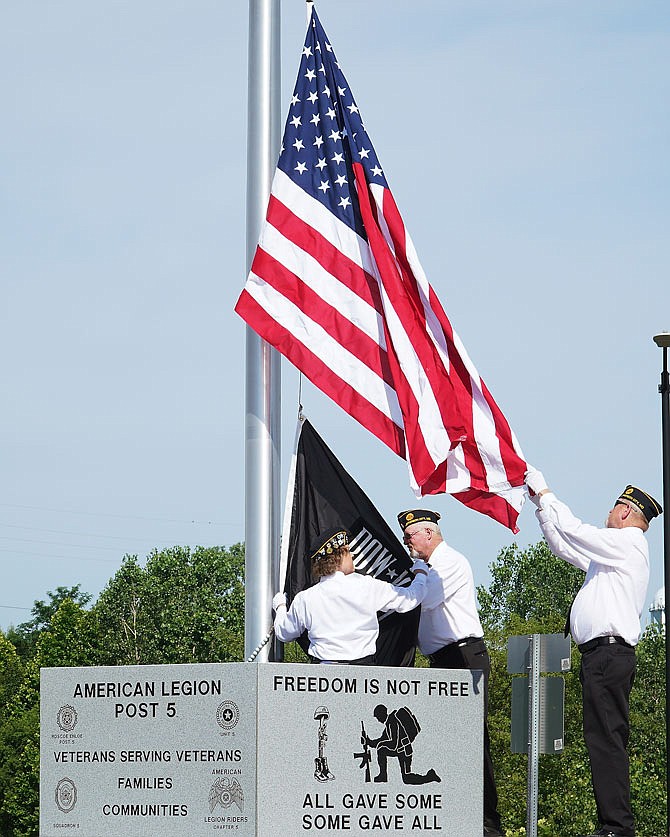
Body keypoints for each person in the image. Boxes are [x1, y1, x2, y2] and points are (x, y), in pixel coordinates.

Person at [525, 468, 662, 837]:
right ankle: (614, 823)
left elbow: (576, 530)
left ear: (625, 512)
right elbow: (564, 545)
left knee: (606, 739)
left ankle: (617, 826)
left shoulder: (629, 542)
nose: (609, 511)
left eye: (614, 505)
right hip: (599, 657)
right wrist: (541, 506)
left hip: (608, 655)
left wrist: (548, 492)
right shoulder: (611, 557)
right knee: (601, 738)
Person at [396, 509, 503, 837]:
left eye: (410, 536)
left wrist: (416, 572)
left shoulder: (450, 562)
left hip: (464, 657)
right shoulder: (429, 567)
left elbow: (427, 600)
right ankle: (458, 816)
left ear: (428, 533)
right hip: (442, 661)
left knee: (472, 740)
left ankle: (487, 824)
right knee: (445, 742)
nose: (407, 542)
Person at [272, 526, 428, 664]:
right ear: (340, 556)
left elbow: (284, 633)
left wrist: (280, 606)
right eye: (349, 552)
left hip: (322, 678)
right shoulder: (367, 586)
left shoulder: (306, 598)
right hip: (363, 675)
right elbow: (410, 599)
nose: (352, 557)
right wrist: (421, 573)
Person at [365, 703, 440, 785]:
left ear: (382, 714)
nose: (378, 720)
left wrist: (381, 744)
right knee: (381, 749)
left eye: (378, 717)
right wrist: (369, 742)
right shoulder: (388, 724)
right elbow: (382, 739)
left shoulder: (392, 722)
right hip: (400, 750)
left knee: (406, 778)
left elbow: (394, 745)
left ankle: (430, 777)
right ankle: (383, 775)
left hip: (404, 752)